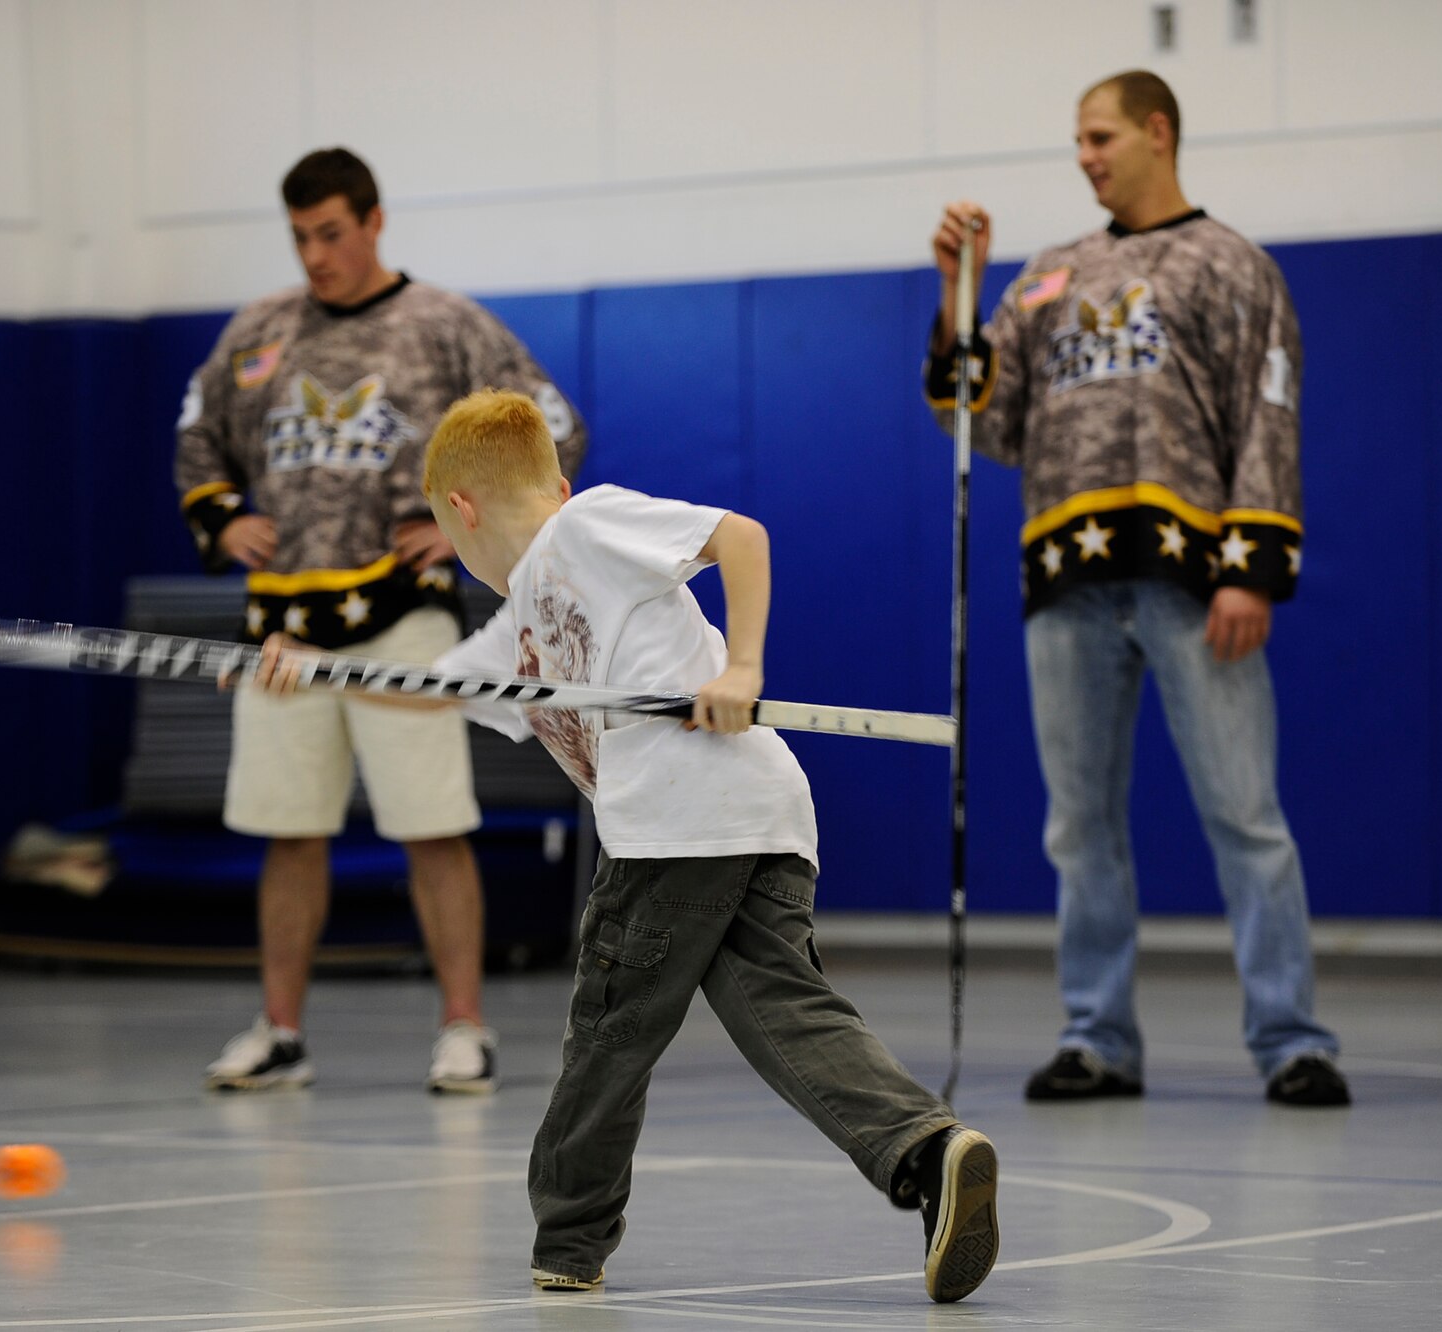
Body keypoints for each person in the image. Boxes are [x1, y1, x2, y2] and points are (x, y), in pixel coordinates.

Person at [255, 390, 1001, 1303]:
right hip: (755, 815)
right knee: (781, 1012)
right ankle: (926, 1150)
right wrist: (319, 673)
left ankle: (567, 1241)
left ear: (460, 511)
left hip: (677, 822)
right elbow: (426, 686)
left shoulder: (589, 524)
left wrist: (744, 669)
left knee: (610, 1030)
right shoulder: (518, 626)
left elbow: (743, 537)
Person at [926, 71, 1348, 1107]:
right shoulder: (1044, 276)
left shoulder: (1231, 264)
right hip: (1062, 580)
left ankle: (1291, 1039)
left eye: (1099, 135)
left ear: (1157, 133)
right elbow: (978, 416)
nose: (1084, 155)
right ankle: (1096, 1037)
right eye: (1075, 139)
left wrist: (1247, 568)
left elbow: (1268, 417)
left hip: (1191, 578)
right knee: (1077, 825)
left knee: (1243, 813)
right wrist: (955, 292)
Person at [175, 148, 587, 1095]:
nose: (315, 254)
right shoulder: (260, 331)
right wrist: (220, 516)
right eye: (300, 238)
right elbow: (196, 434)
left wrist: (459, 526)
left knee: (433, 826)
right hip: (282, 626)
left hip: (402, 616)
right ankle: (280, 1032)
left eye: (330, 233)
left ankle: (465, 1028)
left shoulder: (446, 326)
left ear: (373, 222)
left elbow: (552, 423)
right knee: (291, 831)